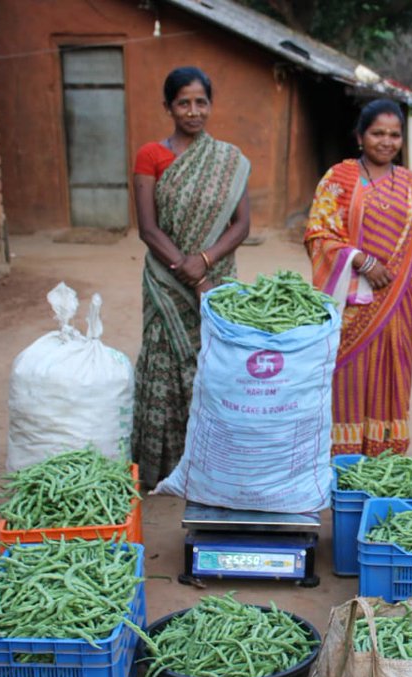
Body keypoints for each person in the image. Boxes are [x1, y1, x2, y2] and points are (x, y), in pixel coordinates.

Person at [130, 66, 251, 488]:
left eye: (201, 102)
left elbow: (241, 225)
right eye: (184, 102)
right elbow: (148, 228)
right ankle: (162, 467)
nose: (194, 111)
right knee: (165, 367)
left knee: (215, 370)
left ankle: (211, 463)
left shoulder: (229, 160)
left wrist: (206, 260)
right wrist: (193, 275)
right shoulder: (152, 155)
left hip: (218, 280)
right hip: (167, 283)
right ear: (168, 107)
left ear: (210, 105)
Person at [305, 99, 412, 456]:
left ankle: (383, 463)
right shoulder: (339, 179)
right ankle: (342, 466)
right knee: (346, 380)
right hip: (350, 306)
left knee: (392, 381)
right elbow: (319, 234)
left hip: (399, 305)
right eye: (378, 133)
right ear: (360, 136)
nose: (387, 141)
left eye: (395, 135)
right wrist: (361, 260)